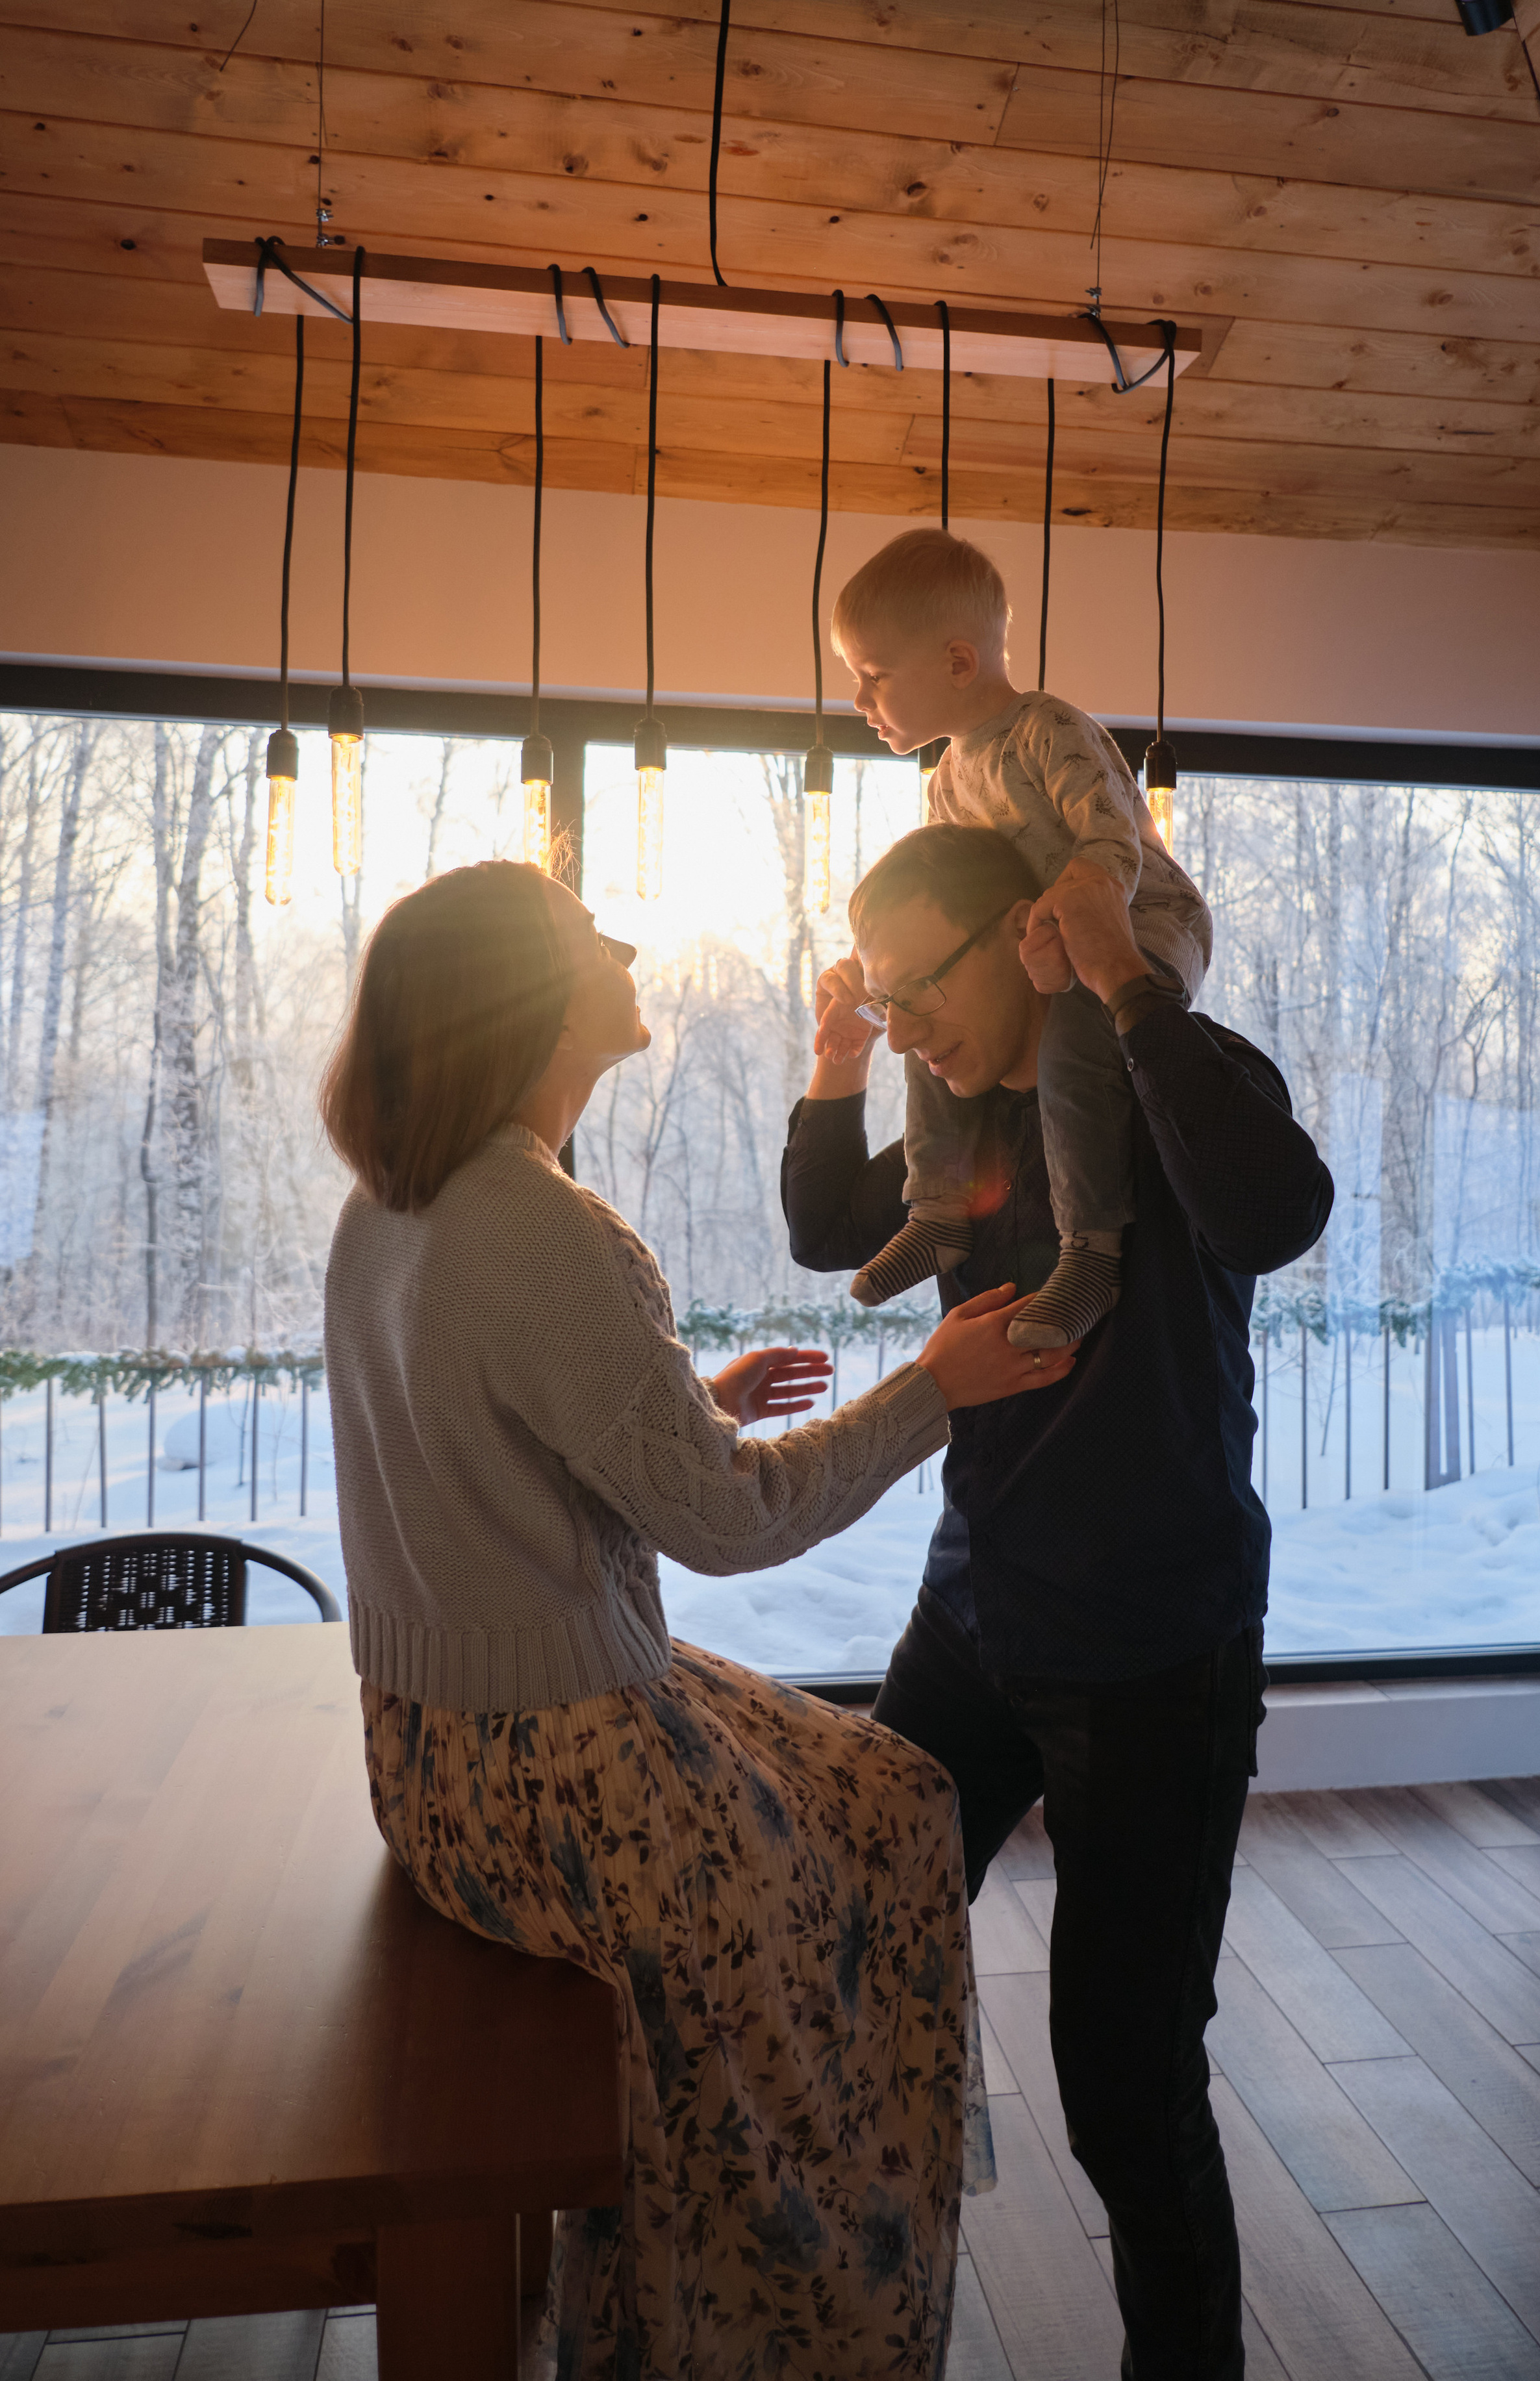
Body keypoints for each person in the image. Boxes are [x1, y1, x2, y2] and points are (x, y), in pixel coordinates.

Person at [320, 859, 1078, 2381]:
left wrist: (677, 1413)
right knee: (881, 1844)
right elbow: (733, 1525)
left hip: (431, 1764)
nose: (620, 939)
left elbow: (494, 1443)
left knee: (881, 1792)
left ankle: (751, 2243)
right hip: (557, 1783)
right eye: (584, 933)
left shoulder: (397, 1202)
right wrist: (934, 1387)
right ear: (525, 996)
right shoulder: (537, 1223)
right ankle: (787, 2293)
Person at [782, 823, 1333, 2381]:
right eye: (876, 1000)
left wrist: (1118, 974)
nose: (903, 1025)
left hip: (1155, 1653)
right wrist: (836, 1064)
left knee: (1120, 2086)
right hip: (971, 1622)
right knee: (844, 1938)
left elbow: (1271, 1212)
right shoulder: (961, 1120)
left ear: (1016, 938)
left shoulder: (1162, 1081)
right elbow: (832, 1233)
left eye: (912, 990)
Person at [827, 527, 1213, 1350]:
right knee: (921, 1023)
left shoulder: (1048, 730)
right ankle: (937, 1210)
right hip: (1052, 941)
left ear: (959, 662)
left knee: (1076, 1037)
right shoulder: (948, 777)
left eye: (874, 677)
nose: (860, 702)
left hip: (1141, 925)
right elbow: (946, 878)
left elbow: (1112, 842)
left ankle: (1090, 1251)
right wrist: (878, 969)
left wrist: (1079, 902)